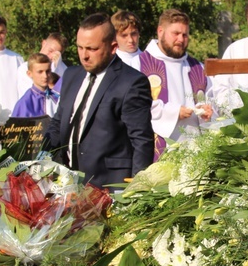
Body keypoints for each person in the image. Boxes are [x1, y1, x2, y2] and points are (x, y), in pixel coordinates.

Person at [44, 13, 154, 186]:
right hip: (68, 183)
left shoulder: (131, 82)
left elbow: (141, 141)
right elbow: (59, 122)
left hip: (110, 186)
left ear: (112, 47)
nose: (84, 55)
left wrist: (138, 190)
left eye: (92, 49)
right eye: (80, 48)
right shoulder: (71, 75)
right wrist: (41, 158)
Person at [139, 9, 212, 159]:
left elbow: (213, 99)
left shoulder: (197, 68)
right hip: (157, 153)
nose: (181, 39)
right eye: (176, 33)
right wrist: (173, 112)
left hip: (195, 153)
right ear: (160, 32)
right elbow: (137, 106)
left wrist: (209, 110)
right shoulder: (139, 65)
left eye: (185, 35)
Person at [16, 33, 68, 97]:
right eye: (50, 51)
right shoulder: (25, 68)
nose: (51, 57)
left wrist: (57, 68)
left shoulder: (63, 69)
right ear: (44, 43)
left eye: (56, 55)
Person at [12, 53, 60, 118]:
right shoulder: (25, 103)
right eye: (40, 72)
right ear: (29, 74)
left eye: (48, 71)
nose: (45, 76)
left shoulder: (57, 97)